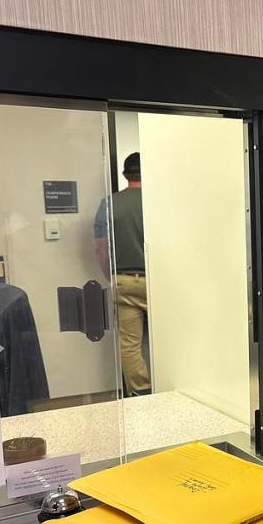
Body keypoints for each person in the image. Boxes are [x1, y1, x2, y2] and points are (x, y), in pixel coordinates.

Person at [94, 152, 150, 396]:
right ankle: (172, 389)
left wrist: (111, 277)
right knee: (174, 334)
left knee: (129, 344)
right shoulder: (157, 200)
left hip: (124, 281)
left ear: (125, 175)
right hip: (159, 280)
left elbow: (100, 247)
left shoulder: (109, 204)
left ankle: (142, 393)